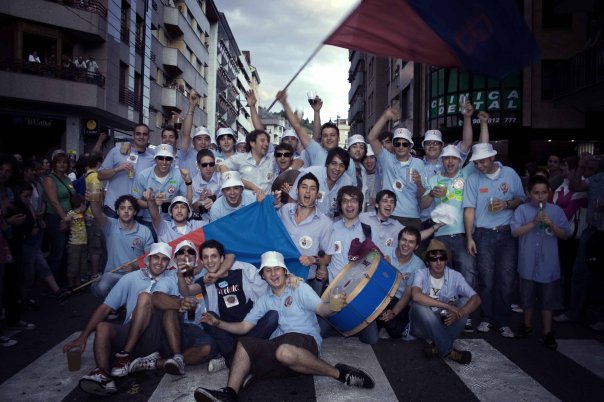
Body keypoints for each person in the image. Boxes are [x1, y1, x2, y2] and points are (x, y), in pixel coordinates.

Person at [194, 251, 375, 402]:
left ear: (285, 271)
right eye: (268, 271)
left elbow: (321, 308)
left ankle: (339, 373)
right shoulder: (264, 300)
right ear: (263, 276)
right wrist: (218, 323)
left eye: (277, 269)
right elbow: (243, 327)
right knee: (244, 343)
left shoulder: (299, 288)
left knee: (284, 351)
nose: (273, 274)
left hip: (304, 341)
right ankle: (230, 394)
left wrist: (333, 305)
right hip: (280, 349)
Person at [63, 243, 174, 396]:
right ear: (148, 259)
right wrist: (83, 337)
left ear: (169, 264)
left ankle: (125, 355)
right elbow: (105, 308)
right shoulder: (130, 278)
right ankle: (103, 375)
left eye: (164, 259)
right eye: (156, 257)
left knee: (145, 297)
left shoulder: (173, 278)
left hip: (154, 336)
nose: (159, 263)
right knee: (102, 327)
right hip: (131, 329)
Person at [178, 240, 278, 371]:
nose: (210, 261)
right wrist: (180, 275)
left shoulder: (242, 269)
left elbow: (266, 290)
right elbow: (186, 291)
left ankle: (232, 359)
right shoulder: (206, 279)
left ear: (222, 258)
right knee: (207, 318)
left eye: (214, 256)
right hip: (226, 331)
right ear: (201, 261)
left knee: (273, 316)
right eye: (206, 257)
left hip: (251, 328)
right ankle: (238, 358)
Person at [462, 142, 525, 338]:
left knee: (506, 279)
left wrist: (506, 203)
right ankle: (487, 319)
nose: (479, 166)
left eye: (482, 162)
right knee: (487, 279)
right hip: (483, 233)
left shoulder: (510, 174)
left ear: (491, 159)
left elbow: (521, 199)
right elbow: (469, 209)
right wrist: (470, 237)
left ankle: (503, 321)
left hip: (506, 233)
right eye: (476, 163)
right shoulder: (473, 179)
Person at [511, 176, 571, 350]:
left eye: (544, 193)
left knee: (547, 300)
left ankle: (547, 331)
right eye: (536, 193)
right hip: (527, 264)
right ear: (529, 193)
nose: (540, 197)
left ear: (549, 193)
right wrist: (534, 222)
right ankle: (526, 324)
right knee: (527, 298)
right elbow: (515, 232)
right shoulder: (522, 210)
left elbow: (565, 235)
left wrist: (551, 224)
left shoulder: (556, 211)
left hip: (548, 264)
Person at [144, 240, 217, 375]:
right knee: (170, 309)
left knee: (208, 348)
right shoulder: (169, 277)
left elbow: (220, 261)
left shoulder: (205, 275)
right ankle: (177, 355)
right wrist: (180, 303)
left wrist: (193, 271)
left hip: (198, 329)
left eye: (190, 252)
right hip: (174, 328)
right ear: (175, 258)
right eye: (181, 253)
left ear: (196, 259)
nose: (186, 255)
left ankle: (159, 363)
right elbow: (156, 298)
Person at [410, 240, 481, 364]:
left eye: (441, 258)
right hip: (422, 327)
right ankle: (449, 351)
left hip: (446, 323)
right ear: (427, 261)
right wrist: (448, 306)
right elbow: (415, 296)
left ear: (446, 259)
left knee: (465, 301)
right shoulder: (420, 273)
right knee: (418, 305)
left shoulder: (455, 276)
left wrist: (459, 312)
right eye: (433, 258)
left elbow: (476, 299)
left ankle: (437, 347)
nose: (438, 262)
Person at [555, 153, 604, 324]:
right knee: (579, 273)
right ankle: (573, 312)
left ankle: (597, 315)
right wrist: (581, 167)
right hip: (591, 230)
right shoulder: (597, 178)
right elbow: (576, 186)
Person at [367, 107, 425, 229]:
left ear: (410, 146)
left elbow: (421, 194)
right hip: (390, 215)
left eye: (405, 144)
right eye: (397, 143)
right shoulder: (386, 159)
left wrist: (419, 183)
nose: (401, 147)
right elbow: (371, 138)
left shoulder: (418, 163)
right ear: (393, 145)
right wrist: (385, 116)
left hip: (412, 216)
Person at [89, 194, 154, 299]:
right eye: (122, 208)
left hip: (135, 275)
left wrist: (135, 267)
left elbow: (149, 258)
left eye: (130, 208)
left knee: (146, 293)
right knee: (101, 287)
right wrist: (92, 198)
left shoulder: (145, 231)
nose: (126, 211)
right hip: (112, 275)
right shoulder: (110, 225)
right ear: (117, 211)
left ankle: (119, 302)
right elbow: (97, 213)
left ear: (135, 212)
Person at [278, 172, 334, 292]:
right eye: (304, 187)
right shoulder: (284, 211)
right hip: (278, 279)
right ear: (297, 191)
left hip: (304, 282)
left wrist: (313, 260)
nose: (308, 192)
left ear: (317, 195)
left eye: (312, 189)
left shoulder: (325, 223)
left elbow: (327, 258)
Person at [98, 124, 155, 218]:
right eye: (138, 134)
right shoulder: (117, 151)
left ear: (149, 137)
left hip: (137, 210)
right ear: (133, 135)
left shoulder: (153, 156)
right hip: (113, 207)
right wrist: (117, 169)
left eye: (145, 134)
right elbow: (100, 176)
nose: (141, 137)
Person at [133, 143, 192, 230]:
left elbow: (188, 201)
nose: (164, 162)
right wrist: (152, 203)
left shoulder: (179, 175)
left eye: (168, 159)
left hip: (170, 221)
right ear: (155, 159)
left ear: (172, 160)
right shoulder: (143, 175)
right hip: (148, 221)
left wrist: (188, 182)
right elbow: (135, 200)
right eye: (160, 158)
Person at [380, 227, 425, 339]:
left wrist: (393, 312)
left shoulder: (419, 265)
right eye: (404, 240)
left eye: (411, 242)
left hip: (399, 299)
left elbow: (407, 294)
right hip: (380, 294)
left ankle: (384, 322)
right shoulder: (384, 251)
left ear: (416, 246)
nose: (406, 244)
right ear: (398, 241)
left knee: (396, 332)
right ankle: (380, 323)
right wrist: (383, 267)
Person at [288, 148, 354, 220]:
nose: (337, 168)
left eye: (341, 165)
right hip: (305, 223)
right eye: (334, 163)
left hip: (329, 226)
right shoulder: (309, 174)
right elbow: (292, 199)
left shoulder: (347, 183)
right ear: (327, 164)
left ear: (345, 169)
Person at [42, 151, 75, 281]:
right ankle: (53, 284)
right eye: (59, 162)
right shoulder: (49, 179)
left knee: (66, 251)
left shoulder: (67, 179)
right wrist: (64, 219)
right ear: (54, 164)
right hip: (56, 218)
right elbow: (54, 202)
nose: (62, 165)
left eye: (64, 162)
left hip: (68, 217)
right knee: (57, 251)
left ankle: (63, 280)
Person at [62, 194, 88, 288]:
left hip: (82, 242)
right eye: (85, 204)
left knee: (80, 264)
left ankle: (77, 284)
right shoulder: (72, 213)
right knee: (73, 265)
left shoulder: (81, 214)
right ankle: (71, 285)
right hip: (74, 244)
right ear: (82, 204)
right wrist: (71, 217)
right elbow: (66, 219)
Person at [191, 149, 222, 219]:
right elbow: (194, 207)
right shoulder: (194, 182)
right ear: (198, 166)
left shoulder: (221, 177)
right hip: (204, 220)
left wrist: (214, 199)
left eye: (211, 164)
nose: (208, 168)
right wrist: (200, 201)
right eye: (204, 165)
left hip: (222, 217)